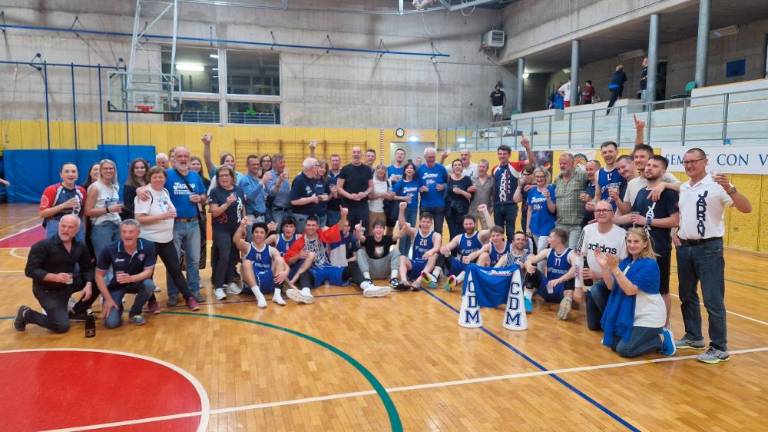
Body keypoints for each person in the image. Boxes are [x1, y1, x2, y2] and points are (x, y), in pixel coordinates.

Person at [675, 148, 752, 364]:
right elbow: (684, 215)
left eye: (694, 161)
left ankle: (719, 347)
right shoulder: (684, 187)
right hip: (685, 248)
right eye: (686, 162)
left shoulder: (718, 185)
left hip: (709, 248)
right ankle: (693, 337)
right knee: (687, 295)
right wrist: (676, 233)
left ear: (705, 161)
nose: (689, 165)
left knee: (712, 298)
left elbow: (746, 208)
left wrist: (731, 189)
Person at [616, 156, 679, 328]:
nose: (649, 168)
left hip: (659, 249)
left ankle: (664, 328)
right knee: (638, 288)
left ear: (663, 171)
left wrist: (648, 221)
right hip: (639, 251)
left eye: (655, 166)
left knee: (662, 290)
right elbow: (634, 216)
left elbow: (675, 220)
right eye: (648, 165)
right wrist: (609, 220)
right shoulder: (642, 192)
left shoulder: (669, 193)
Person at [595, 228, 675, 358]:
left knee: (624, 350)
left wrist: (614, 268)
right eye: (629, 241)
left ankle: (661, 338)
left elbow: (630, 290)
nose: (632, 245)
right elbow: (611, 286)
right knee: (613, 344)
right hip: (632, 316)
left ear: (645, 243)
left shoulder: (650, 264)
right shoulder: (627, 262)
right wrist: (604, 267)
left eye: (636, 241)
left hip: (648, 318)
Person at [284, 207, 390, 302]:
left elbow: (339, 227)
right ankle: (305, 293)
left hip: (331, 268)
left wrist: (343, 215)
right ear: (305, 226)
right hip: (316, 271)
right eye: (308, 225)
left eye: (313, 225)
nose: (311, 227)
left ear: (317, 227)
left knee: (352, 266)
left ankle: (367, 287)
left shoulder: (323, 235)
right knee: (304, 273)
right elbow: (288, 260)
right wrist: (298, 256)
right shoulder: (299, 242)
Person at [134, 166, 200, 312]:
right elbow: (140, 218)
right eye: (155, 177)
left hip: (166, 239)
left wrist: (170, 213)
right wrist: (162, 216)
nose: (158, 179)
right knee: (148, 273)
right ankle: (151, 301)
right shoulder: (145, 194)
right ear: (149, 178)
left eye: (161, 177)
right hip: (149, 240)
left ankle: (189, 297)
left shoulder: (164, 191)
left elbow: (166, 208)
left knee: (175, 269)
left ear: (165, 179)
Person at [15, 215, 93, 334]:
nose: (65, 230)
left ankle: (76, 311)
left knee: (97, 281)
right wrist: (55, 277)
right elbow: (30, 270)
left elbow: (87, 268)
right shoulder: (42, 246)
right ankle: (27, 314)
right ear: (58, 226)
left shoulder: (80, 246)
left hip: (68, 285)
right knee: (61, 326)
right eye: (63, 226)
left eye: (70, 227)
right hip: (47, 290)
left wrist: (88, 284)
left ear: (77, 229)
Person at [163, 146, 207, 306]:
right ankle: (173, 293)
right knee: (173, 261)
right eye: (179, 156)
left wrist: (200, 199)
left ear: (189, 158)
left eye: (185, 156)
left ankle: (194, 291)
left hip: (193, 223)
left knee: (194, 260)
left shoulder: (195, 176)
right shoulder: (166, 175)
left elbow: (204, 195)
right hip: (173, 224)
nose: (183, 159)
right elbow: (153, 188)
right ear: (173, 159)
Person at [93, 220, 157, 328]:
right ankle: (118, 306)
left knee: (149, 284)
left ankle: (135, 313)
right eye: (124, 232)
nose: (127, 235)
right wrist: (108, 299)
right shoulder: (110, 249)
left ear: (138, 233)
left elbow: (148, 272)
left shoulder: (148, 246)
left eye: (131, 232)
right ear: (120, 233)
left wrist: (131, 278)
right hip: (116, 286)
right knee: (111, 324)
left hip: (136, 282)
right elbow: (98, 275)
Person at [579, 200, 628, 331]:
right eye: (598, 210)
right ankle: (608, 317)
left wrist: (600, 275)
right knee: (593, 326)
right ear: (594, 213)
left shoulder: (622, 234)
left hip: (613, 283)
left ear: (612, 214)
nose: (601, 213)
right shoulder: (587, 230)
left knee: (597, 290)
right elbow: (579, 257)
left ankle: (614, 322)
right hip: (591, 283)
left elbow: (625, 265)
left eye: (605, 210)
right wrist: (578, 287)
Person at [208, 166, 247, 301]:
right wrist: (227, 203)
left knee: (233, 256)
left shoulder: (238, 190)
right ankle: (218, 286)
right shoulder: (215, 192)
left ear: (232, 177)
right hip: (221, 229)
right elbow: (214, 213)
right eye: (221, 176)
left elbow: (242, 207)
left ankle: (230, 282)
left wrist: (243, 225)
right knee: (224, 255)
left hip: (236, 229)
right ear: (218, 178)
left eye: (226, 175)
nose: (224, 178)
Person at [523, 228, 577, 320]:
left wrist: (559, 280)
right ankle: (526, 302)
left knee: (572, 276)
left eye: (550, 237)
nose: (548, 239)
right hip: (549, 287)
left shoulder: (571, 253)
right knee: (532, 271)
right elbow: (530, 259)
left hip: (562, 291)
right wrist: (528, 265)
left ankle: (566, 302)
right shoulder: (547, 252)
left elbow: (576, 269)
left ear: (558, 240)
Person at [234, 221, 290, 308]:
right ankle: (259, 296)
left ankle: (277, 295)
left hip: (267, 283)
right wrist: (241, 226)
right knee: (246, 263)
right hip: (252, 285)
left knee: (279, 259)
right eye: (256, 232)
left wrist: (286, 272)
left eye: (261, 232)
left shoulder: (271, 249)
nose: (259, 235)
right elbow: (235, 240)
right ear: (252, 234)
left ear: (265, 235)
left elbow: (283, 263)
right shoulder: (247, 246)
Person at [439, 205, 493, 291]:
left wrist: (485, 212)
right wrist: (444, 249)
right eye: (466, 224)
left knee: (482, 257)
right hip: (461, 265)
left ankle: (457, 280)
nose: (468, 226)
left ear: (475, 224)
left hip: (475, 265)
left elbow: (492, 230)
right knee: (440, 253)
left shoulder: (480, 235)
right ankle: (436, 275)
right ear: (463, 225)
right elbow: (448, 247)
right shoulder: (459, 237)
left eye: (470, 224)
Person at [492, 138, 534, 239]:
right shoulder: (494, 169)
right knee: (498, 233)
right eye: (500, 154)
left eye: (504, 154)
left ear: (509, 155)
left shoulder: (515, 165)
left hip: (511, 205)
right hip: (497, 205)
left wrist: (527, 148)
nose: (502, 156)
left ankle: (511, 249)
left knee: (510, 233)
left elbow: (531, 162)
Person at [396, 202, 442, 291]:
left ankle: (418, 281)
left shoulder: (436, 235)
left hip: (428, 269)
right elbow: (402, 226)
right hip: (415, 264)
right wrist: (401, 210)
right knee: (402, 257)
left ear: (431, 224)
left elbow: (437, 248)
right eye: (423, 222)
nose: (425, 224)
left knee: (434, 255)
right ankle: (404, 281)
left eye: (428, 222)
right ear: (420, 222)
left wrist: (430, 251)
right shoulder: (415, 232)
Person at [84, 159, 122, 258]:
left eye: (111, 168)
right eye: (105, 168)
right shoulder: (95, 187)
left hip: (117, 224)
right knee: (105, 260)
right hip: (102, 226)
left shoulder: (115, 186)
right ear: (100, 171)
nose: (108, 171)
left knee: (118, 259)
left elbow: (112, 206)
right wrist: (108, 209)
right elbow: (88, 211)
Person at [39, 163, 86, 241]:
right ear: (61, 175)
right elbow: (42, 213)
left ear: (77, 175)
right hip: (56, 225)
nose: (70, 174)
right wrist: (63, 206)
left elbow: (83, 213)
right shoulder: (51, 190)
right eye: (67, 171)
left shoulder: (82, 191)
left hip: (76, 227)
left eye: (73, 171)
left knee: (79, 248)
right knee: (55, 248)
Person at [553, 153, 587, 249]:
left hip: (576, 225)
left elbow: (595, 182)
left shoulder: (582, 175)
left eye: (565, 163)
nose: (562, 166)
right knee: (560, 251)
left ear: (572, 163)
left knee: (572, 252)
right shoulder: (557, 179)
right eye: (560, 163)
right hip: (560, 224)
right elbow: (546, 189)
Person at [356, 220, 401, 289]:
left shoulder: (387, 238)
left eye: (381, 228)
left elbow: (398, 236)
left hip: (384, 271)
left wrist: (405, 228)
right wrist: (357, 230)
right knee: (360, 252)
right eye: (377, 227)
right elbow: (360, 238)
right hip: (371, 271)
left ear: (383, 230)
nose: (379, 230)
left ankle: (393, 279)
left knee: (396, 251)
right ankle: (367, 280)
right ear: (373, 230)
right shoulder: (368, 238)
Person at [337, 146, 374, 230]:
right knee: (347, 230)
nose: (356, 154)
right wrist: (350, 196)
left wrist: (365, 193)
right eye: (354, 152)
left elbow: (371, 186)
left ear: (361, 154)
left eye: (358, 152)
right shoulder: (345, 169)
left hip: (362, 205)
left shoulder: (367, 169)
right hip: (348, 205)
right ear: (351, 154)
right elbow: (339, 188)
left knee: (362, 230)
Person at [290, 157, 329, 232]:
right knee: (302, 237)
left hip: (312, 216)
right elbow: (294, 201)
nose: (318, 168)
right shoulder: (299, 180)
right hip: (302, 217)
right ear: (312, 168)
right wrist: (311, 199)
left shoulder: (311, 179)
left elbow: (310, 195)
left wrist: (318, 198)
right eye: (317, 166)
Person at [525, 167, 557, 256]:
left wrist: (548, 198)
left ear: (546, 177)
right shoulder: (531, 191)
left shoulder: (551, 189)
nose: (539, 179)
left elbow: (553, 210)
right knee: (541, 252)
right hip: (534, 226)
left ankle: (540, 266)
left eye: (542, 176)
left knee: (541, 250)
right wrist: (527, 227)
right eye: (537, 177)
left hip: (547, 226)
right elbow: (530, 210)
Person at [417, 147, 448, 235]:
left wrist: (443, 186)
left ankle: (437, 244)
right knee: (423, 230)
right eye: (429, 157)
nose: (431, 159)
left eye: (433, 157)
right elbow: (415, 184)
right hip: (425, 205)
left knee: (438, 231)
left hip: (439, 205)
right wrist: (420, 188)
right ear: (425, 157)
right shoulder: (420, 169)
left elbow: (448, 182)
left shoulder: (441, 168)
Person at [239, 155, 269, 233]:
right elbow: (250, 197)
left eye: (257, 164)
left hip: (262, 217)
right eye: (253, 164)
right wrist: (262, 183)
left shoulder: (259, 180)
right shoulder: (245, 180)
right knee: (251, 240)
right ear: (247, 166)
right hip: (251, 217)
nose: (256, 166)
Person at [445, 159, 474, 240]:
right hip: (450, 210)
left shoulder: (467, 179)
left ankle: (461, 248)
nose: (457, 167)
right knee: (452, 232)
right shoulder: (448, 179)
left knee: (462, 231)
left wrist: (461, 192)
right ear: (452, 168)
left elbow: (470, 196)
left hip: (462, 210)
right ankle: (453, 248)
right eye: (455, 165)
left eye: (459, 165)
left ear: (462, 167)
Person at [596, 141, 626, 211]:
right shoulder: (598, 173)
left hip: (622, 213)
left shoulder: (624, 170)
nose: (607, 154)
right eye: (604, 152)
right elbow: (597, 197)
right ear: (601, 154)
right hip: (605, 213)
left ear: (617, 152)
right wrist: (592, 204)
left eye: (610, 151)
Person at [266, 154, 293, 227]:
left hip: (288, 210)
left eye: (284, 162)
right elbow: (272, 193)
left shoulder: (285, 173)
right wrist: (280, 181)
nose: (283, 164)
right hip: (277, 211)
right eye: (281, 162)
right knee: (276, 231)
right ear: (274, 164)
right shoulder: (268, 175)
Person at [468, 159, 494, 224]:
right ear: (477, 167)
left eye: (483, 167)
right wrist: (468, 190)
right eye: (480, 166)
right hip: (473, 209)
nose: (481, 169)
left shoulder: (492, 180)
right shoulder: (471, 179)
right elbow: (467, 193)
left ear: (487, 168)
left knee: (486, 229)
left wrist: (492, 207)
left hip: (486, 210)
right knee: (473, 229)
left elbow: (493, 195)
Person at [369, 164, 392, 231]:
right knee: (371, 232)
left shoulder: (388, 182)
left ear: (385, 171)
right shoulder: (372, 181)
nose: (381, 170)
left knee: (380, 232)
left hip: (383, 211)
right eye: (378, 168)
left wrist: (390, 195)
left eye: (383, 168)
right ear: (376, 171)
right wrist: (382, 194)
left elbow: (390, 197)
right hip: (372, 210)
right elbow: (370, 196)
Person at [580, 160, 601, 226]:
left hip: (598, 222)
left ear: (599, 170)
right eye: (587, 170)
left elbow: (604, 204)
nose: (588, 172)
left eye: (591, 169)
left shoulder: (602, 184)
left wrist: (590, 199)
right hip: (586, 222)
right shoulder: (586, 183)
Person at [326, 154, 344, 227]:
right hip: (328, 208)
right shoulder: (326, 173)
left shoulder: (344, 173)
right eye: (333, 160)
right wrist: (332, 193)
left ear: (340, 162)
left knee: (340, 229)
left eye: (337, 160)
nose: (335, 162)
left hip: (341, 208)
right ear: (330, 162)